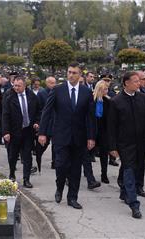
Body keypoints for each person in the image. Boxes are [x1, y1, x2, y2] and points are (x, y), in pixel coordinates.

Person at [38, 62, 96, 210]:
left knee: (76, 169)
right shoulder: (58, 90)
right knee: (61, 165)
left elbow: (90, 117)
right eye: (69, 72)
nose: (71, 75)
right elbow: (47, 111)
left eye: (74, 73)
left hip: (79, 137)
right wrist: (43, 132)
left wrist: (91, 137)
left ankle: (72, 198)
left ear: (80, 75)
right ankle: (59, 187)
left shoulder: (86, 92)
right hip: (61, 136)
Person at [108, 71, 145, 219]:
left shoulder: (144, 98)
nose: (139, 83)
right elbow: (111, 127)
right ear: (126, 83)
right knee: (129, 171)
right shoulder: (116, 101)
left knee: (133, 169)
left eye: (139, 81)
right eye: (136, 81)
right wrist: (112, 147)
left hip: (141, 141)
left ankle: (124, 192)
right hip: (124, 144)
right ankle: (134, 204)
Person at [2, 76, 40, 188]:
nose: (16, 87)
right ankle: (12, 174)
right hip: (14, 131)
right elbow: (5, 115)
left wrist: (37, 122)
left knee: (27, 156)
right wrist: (6, 132)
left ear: (24, 86)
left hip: (28, 131)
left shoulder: (32, 96)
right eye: (14, 85)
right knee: (13, 155)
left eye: (18, 85)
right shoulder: (9, 97)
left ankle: (26, 179)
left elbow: (38, 111)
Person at [93, 80, 112, 184]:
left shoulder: (108, 101)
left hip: (104, 131)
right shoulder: (92, 100)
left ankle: (104, 174)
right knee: (87, 153)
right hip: (93, 130)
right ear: (100, 89)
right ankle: (88, 173)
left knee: (104, 154)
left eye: (107, 88)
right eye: (105, 89)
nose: (107, 90)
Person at [36, 76, 56, 170]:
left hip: (55, 122)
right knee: (44, 143)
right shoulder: (41, 93)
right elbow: (39, 109)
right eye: (51, 83)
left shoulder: (56, 92)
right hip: (46, 123)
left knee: (55, 144)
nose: (53, 85)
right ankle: (38, 156)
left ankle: (54, 162)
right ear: (47, 83)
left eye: (54, 83)